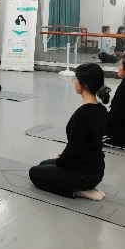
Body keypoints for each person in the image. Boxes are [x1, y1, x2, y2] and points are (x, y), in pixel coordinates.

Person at [29, 63, 111, 201]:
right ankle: (86, 186)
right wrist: (63, 158)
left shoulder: (82, 114)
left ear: (84, 85)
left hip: (82, 174)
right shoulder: (102, 110)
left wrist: (62, 160)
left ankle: (78, 191)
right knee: (44, 164)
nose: (74, 82)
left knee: (34, 173)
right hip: (96, 170)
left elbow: (73, 149)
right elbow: (86, 145)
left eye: (75, 78)